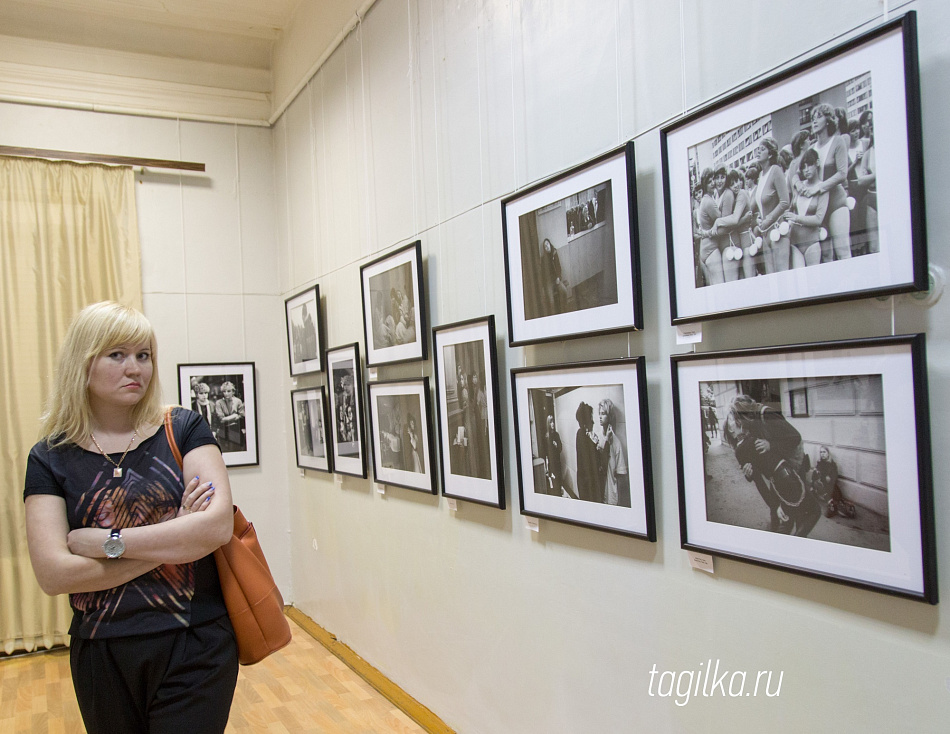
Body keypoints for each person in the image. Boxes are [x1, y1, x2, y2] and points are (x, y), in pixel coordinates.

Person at [23, 301, 237, 733]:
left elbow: (215, 526)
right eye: (116, 355)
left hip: (195, 642)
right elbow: (54, 574)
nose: (135, 368)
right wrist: (177, 533)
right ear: (83, 363)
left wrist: (107, 543)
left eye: (143, 355)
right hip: (102, 651)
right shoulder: (48, 457)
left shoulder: (184, 428)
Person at [721, 394, 820, 537]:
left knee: (796, 514)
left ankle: (791, 541)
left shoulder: (767, 414)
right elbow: (756, 464)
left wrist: (770, 445)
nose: (738, 423)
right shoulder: (750, 424)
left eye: (736, 418)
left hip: (793, 466)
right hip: (778, 472)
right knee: (781, 514)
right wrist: (749, 471)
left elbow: (795, 437)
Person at [800, 103, 851, 262]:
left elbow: (842, 173)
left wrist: (819, 187)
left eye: (819, 117)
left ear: (828, 120)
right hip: (819, 208)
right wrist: (799, 186)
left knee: (842, 250)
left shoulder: (838, 141)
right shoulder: (812, 148)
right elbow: (797, 171)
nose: (814, 121)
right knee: (826, 255)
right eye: (813, 118)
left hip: (836, 202)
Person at [750, 137, 791, 274]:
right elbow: (758, 205)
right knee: (772, 278)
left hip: (778, 229)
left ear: (771, 154)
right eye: (758, 149)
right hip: (765, 232)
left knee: (782, 276)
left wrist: (768, 219)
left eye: (763, 149)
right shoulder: (761, 175)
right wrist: (758, 219)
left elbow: (785, 201)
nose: (759, 151)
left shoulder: (776, 170)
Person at [783, 149, 829, 268]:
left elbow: (818, 219)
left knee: (813, 282)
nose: (806, 169)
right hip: (794, 241)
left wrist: (796, 218)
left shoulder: (822, 188)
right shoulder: (800, 186)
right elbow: (791, 208)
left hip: (811, 242)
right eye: (803, 167)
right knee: (799, 281)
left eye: (809, 165)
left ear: (817, 163)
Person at [598, 398, 630, 507]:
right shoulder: (599, 438)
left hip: (611, 495)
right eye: (599, 413)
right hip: (599, 492)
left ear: (610, 416)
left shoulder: (616, 443)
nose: (600, 417)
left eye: (603, 414)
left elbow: (621, 476)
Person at [574, 402, 603, 503]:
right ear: (586, 421)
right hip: (587, 488)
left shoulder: (582, 434)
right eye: (591, 418)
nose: (593, 422)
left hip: (585, 485)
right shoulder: (582, 436)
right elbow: (590, 466)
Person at [540, 238, 570, 314]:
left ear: (550, 244)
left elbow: (558, 267)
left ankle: (565, 309)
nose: (547, 246)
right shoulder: (544, 259)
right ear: (544, 249)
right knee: (551, 300)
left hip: (556, 279)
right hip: (549, 282)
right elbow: (543, 274)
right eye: (545, 246)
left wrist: (558, 277)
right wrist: (544, 286)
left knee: (564, 291)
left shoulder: (554, 253)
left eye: (547, 244)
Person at [214, 381, 245, 452]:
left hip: (236, 430)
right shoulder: (219, 402)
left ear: (233, 392)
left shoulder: (238, 401)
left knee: (238, 450)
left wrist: (228, 418)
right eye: (224, 391)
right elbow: (221, 419)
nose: (226, 393)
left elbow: (242, 416)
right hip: (223, 430)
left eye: (229, 391)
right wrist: (235, 415)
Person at [543, 414, 564, 497]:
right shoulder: (547, 437)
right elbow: (545, 453)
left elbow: (560, 448)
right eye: (550, 422)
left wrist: (556, 445)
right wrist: (547, 467)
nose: (553, 424)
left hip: (557, 462)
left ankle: (559, 494)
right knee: (553, 482)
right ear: (548, 424)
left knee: (559, 481)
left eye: (553, 421)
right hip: (551, 464)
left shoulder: (556, 435)